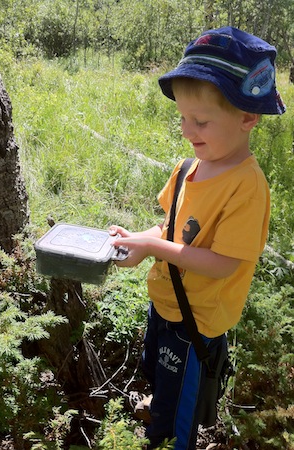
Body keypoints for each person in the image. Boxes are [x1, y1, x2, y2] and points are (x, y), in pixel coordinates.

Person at [109, 26, 286, 450]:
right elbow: (169, 229)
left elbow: (225, 262)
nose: (189, 130)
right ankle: (156, 424)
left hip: (198, 323)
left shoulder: (246, 187)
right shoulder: (190, 167)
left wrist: (154, 247)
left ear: (248, 117)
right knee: (161, 384)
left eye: (202, 121)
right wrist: (140, 240)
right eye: (183, 119)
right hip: (165, 306)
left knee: (182, 414)